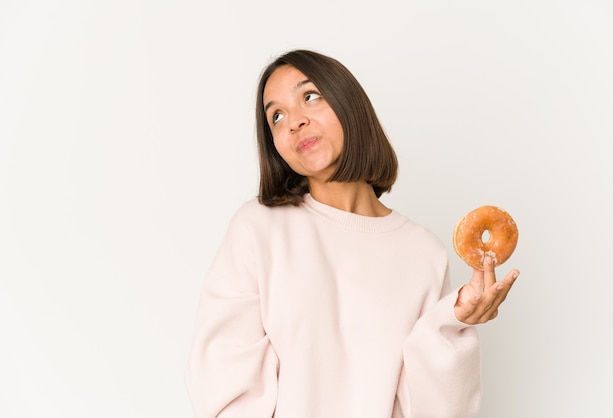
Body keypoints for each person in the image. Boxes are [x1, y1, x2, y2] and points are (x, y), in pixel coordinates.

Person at [185, 49, 520, 418]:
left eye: (309, 96)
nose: (293, 122)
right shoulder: (259, 228)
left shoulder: (423, 251)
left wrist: (454, 321)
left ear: (349, 104)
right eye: (276, 116)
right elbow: (224, 380)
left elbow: (433, 408)